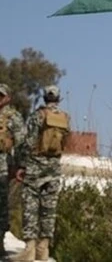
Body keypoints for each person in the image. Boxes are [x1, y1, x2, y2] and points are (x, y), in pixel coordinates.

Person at [13, 85, 71, 262]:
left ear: (44, 98)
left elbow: (28, 142)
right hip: (53, 169)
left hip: (35, 167)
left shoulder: (37, 116)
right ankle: (43, 250)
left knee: (30, 208)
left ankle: (29, 251)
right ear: (58, 99)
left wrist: (21, 166)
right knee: (49, 210)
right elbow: (65, 142)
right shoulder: (65, 118)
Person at [0, 84, 25, 258]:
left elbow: (21, 142)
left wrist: (20, 165)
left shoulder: (14, 117)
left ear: (8, 98)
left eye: (1, 96)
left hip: (3, 165)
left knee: (1, 205)